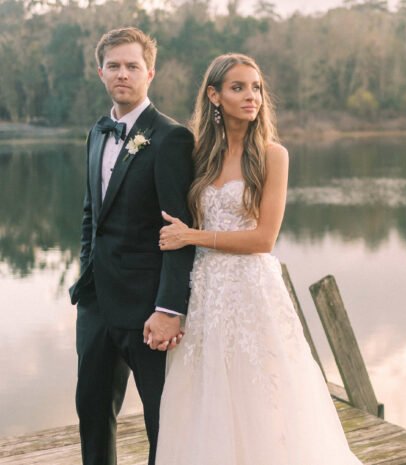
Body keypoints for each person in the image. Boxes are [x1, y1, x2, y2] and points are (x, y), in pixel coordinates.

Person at [155, 53, 362, 464]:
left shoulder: (272, 155)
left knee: (263, 393)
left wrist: (191, 236)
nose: (252, 96)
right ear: (214, 96)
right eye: (238, 88)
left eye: (256, 88)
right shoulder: (197, 154)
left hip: (252, 289)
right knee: (204, 391)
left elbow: (264, 238)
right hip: (205, 291)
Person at [68, 27, 194, 465]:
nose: (123, 73)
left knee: (163, 418)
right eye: (115, 66)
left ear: (150, 72)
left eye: (133, 66)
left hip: (148, 309)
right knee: (92, 411)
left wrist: (168, 309)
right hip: (97, 303)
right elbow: (91, 215)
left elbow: (181, 231)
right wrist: (86, 276)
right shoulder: (96, 133)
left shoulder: (170, 138)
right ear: (100, 71)